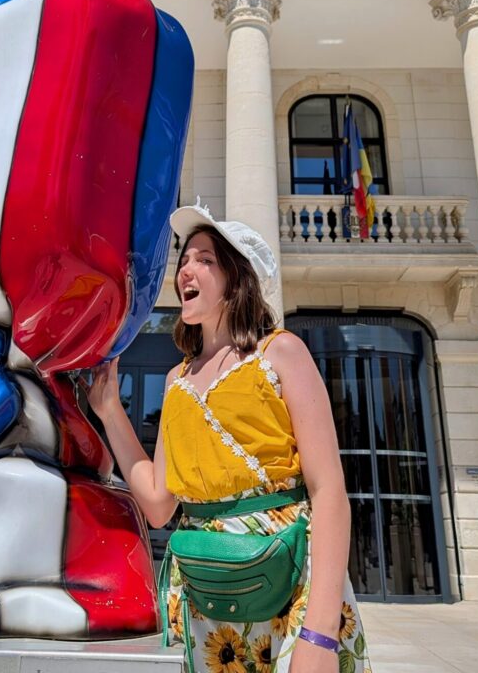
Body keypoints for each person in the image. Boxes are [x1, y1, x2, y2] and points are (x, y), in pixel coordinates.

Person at [87, 202, 372, 673]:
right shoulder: (176, 380)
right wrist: (110, 410)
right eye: (184, 260)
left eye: (205, 259)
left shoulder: (280, 352)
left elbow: (329, 492)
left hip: (291, 579)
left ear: (237, 280)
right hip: (208, 596)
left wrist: (319, 633)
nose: (186, 270)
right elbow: (159, 504)